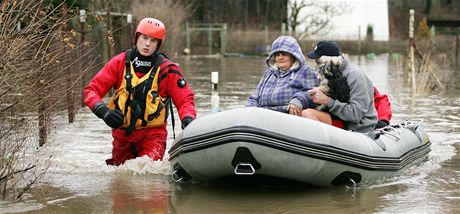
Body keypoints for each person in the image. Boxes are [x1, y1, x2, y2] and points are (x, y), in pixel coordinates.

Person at [83, 17, 196, 166]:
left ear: (158, 44)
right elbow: (91, 91)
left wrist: (188, 119)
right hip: (122, 137)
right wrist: (104, 112)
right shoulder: (119, 63)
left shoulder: (168, 70)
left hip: (153, 136)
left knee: (147, 170)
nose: (148, 44)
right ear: (136, 37)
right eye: (144, 38)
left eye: (153, 40)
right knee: (122, 182)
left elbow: (185, 100)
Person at [301, 40, 377, 132]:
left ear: (328, 61)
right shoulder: (330, 72)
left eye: (318, 62)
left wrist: (327, 101)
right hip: (338, 118)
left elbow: (356, 114)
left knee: (308, 114)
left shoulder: (356, 76)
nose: (316, 66)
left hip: (358, 127)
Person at [246, 35, 318, 115]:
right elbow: (254, 97)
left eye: (284, 54)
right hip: (263, 115)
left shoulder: (306, 71)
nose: (280, 57)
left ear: (293, 56)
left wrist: (299, 99)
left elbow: (314, 93)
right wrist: (250, 110)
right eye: (277, 55)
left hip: (288, 116)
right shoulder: (269, 73)